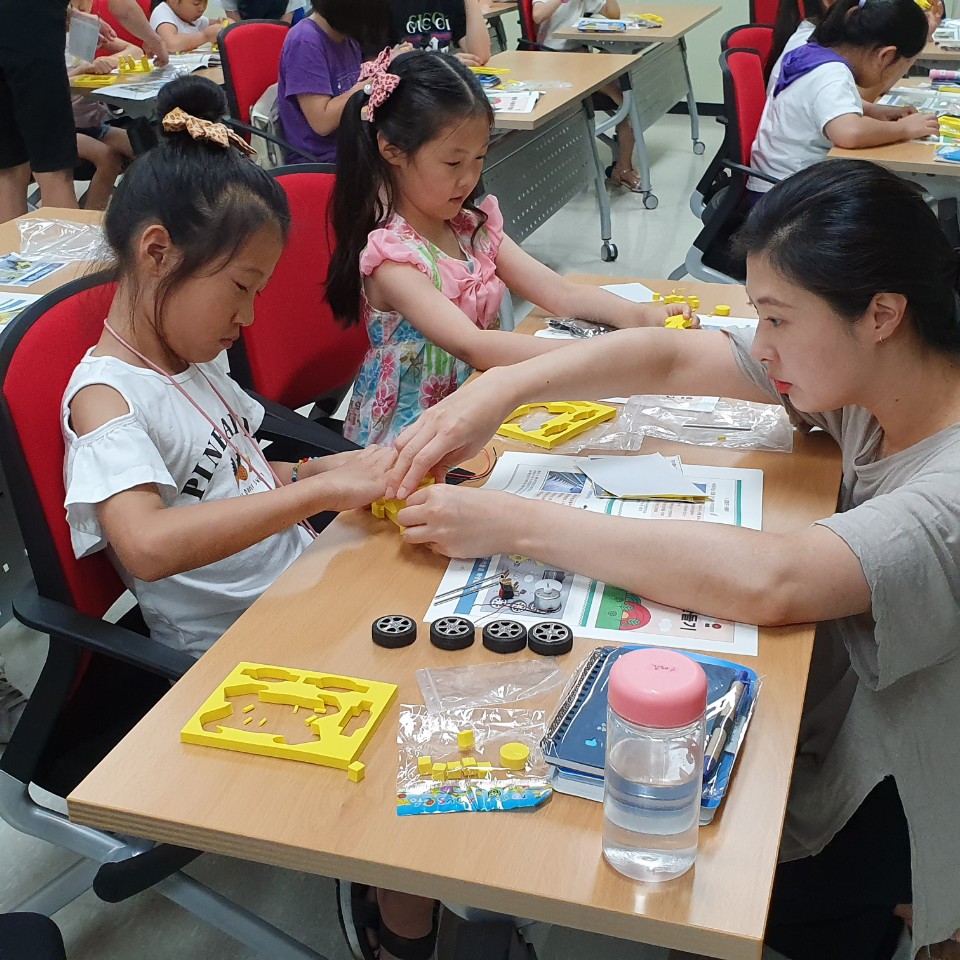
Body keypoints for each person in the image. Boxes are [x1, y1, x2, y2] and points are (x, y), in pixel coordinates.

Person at [386, 158, 960, 960]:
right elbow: (666, 357)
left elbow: (776, 578)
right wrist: (500, 390)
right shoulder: (874, 382)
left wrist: (515, 521)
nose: (762, 345)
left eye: (778, 320)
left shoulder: (948, 486)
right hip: (832, 717)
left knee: (614, 845)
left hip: (885, 792)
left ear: (882, 314)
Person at [61, 75, 395, 658]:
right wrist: (311, 497)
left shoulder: (195, 361)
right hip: (234, 654)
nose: (247, 316)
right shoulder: (106, 398)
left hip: (300, 593)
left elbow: (237, 482)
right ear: (157, 252)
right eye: (241, 287)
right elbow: (147, 544)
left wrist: (330, 472)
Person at [326, 50, 690, 446]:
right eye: (453, 163)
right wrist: (595, 357)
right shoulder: (393, 258)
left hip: (481, 400)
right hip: (414, 434)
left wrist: (640, 317)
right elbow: (473, 345)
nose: (469, 178)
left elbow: (560, 293)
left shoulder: (470, 225)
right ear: (392, 150)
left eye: (479, 158)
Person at [748, 0, 938, 195]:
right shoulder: (832, 73)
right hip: (788, 197)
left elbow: (813, 102)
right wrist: (903, 129)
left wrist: (870, 109)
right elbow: (849, 133)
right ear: (885, 56)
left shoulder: (814, 53)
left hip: (776, 185)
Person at [532, 0, 646, 192]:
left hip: (580, 59)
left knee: (626, 92)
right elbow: (538, 14)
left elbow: (613, 14)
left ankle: (623, 166)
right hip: (552, 62)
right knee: (624, 99)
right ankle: (623, 165)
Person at [276, 0, 390, 164]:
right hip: (320, 161)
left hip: (352, 147)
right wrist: (370, 83)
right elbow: (322, 122)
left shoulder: (346, 39)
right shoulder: (304, 41)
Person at [389, 0, 491, 64]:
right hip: (405, 89)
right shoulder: (386, 4)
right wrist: (443, 63)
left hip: (438, 85)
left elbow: (480, 56)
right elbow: (378, 65)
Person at [149, 0, 221, 53]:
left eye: (205, 2)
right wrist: (205, 36)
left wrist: (225, 24)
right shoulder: (162, 13)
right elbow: (170, 44)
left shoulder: (188, 17)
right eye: (196, 4)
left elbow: (215, 26)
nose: (202, 8)